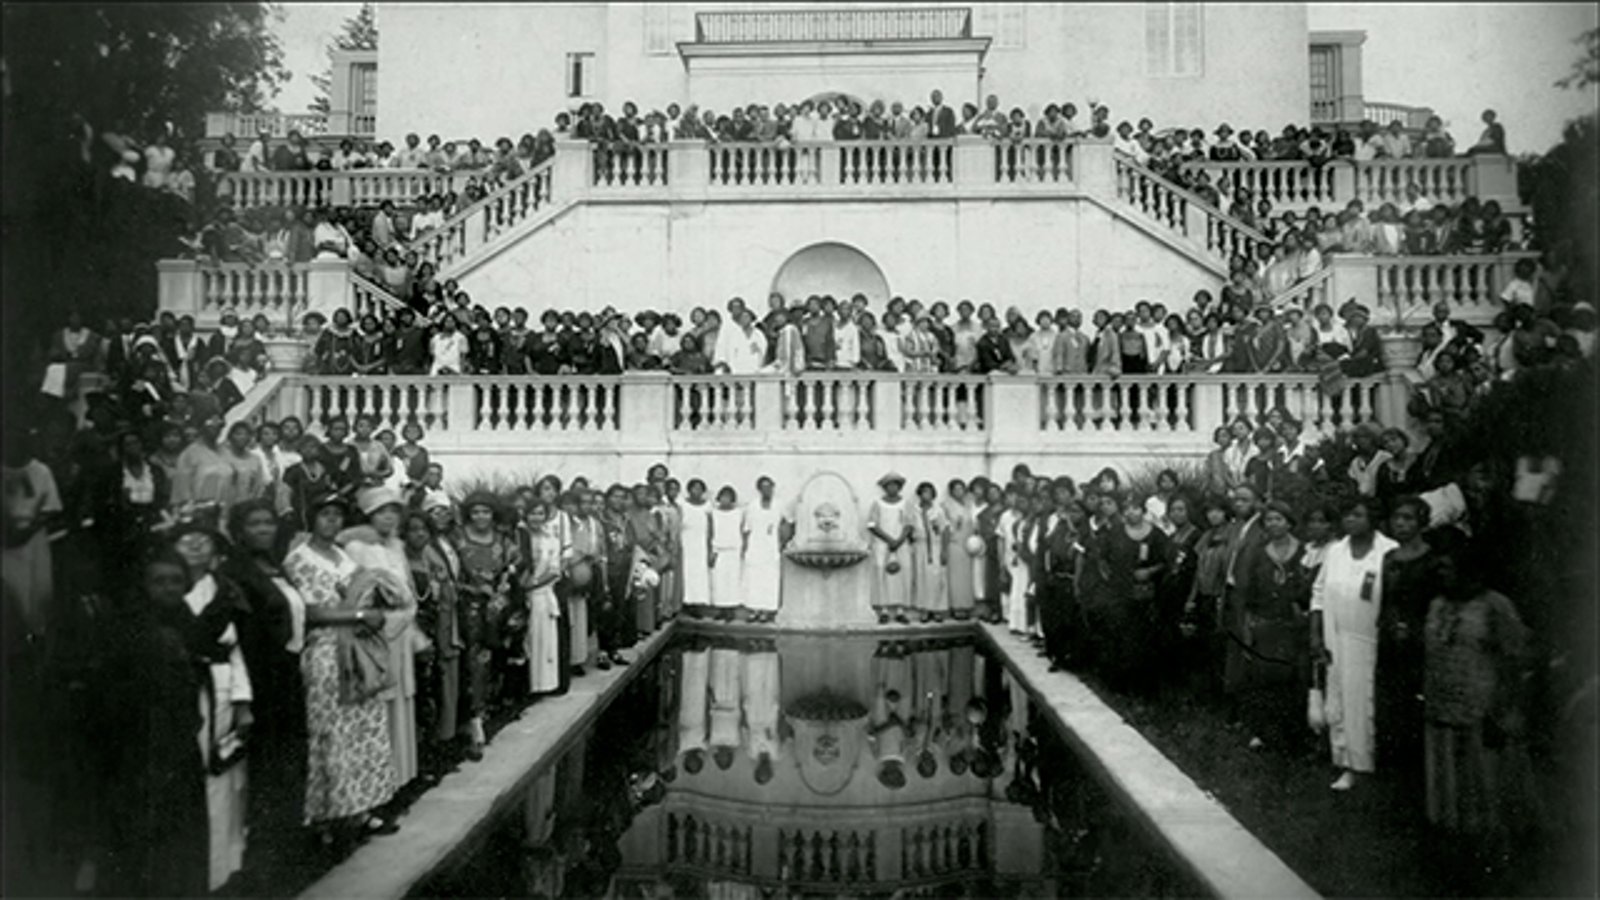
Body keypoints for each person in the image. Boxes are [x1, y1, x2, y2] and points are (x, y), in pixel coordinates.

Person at [283, 493, 399, 846]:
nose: (332, 521)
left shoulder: (343, 556)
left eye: (337, 515)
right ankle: (328, 816)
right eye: (325, 514)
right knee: (331, 731)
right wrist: (360, 615)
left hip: (356, 649)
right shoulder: (299, 558)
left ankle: (361, 809)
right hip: (326, 651)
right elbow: (311, 611)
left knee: (363, 729)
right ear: (311, 518)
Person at [1422, 534, 1535, 885]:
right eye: (1438, 568)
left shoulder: (1495, 606)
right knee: (1449, 792)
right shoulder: (1437, 604)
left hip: (1485, 716)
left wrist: (1504, 711)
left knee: (1487, 790)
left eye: (1448, 567)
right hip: (1442, 713)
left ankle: (1497, 865)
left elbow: (1518, 660)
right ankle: (1457, 860)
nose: (1441, 573)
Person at [100, 552, 209, 897]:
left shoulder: (183, 620)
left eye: (176, 581)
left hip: (179, 743)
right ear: (143, 585)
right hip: (142, 748)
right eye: (159, 581)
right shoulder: (133, 628)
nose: (169, 588)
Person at [217, 499, 307, 880]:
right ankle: (262, 857)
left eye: (268, 522)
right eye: (254, 523)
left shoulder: (274, 565)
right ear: (238, 531)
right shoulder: (235, 572)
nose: (264, 529)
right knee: (266, 764)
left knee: (288, 759)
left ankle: (285, 847)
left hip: (286, 673)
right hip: (261, 678)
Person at [168, 525, 252, 892]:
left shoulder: (224, 591)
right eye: (186, 539)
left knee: (221, 773)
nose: (196, 545)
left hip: (220, 687)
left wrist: (243, 703)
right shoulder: (166, 590)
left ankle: (222, 866)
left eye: (204, 540)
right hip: (179, 688)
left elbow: (234, 650)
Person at [1310, 497, 1399, 791]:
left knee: (1365, 701)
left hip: (1370, 639)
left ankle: (1366, 764)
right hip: (1336, 635)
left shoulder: (1388, 551)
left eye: (1357, 515)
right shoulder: (1336, 551)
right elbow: (1318, 593)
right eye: (1347, 515)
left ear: (1372, 518)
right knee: (1339, 698)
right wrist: (1316, 635)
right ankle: (1345, 761)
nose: (1350, 520)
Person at [1233, 501, 1311, 752]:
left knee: (1293, 679)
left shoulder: (1304, 551)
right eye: (1269, 520)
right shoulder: (1258, 552)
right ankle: (1263, 732)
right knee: (1264, 678)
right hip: (1265, 622)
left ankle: (1293, 736)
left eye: (1279, 519)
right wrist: (1248, 622)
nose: (1274, 524)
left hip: (1294, 625)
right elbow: (1246, 589)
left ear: (1289, 522)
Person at [517, 502, 565, 696]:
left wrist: (533, 584)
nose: (536, 518)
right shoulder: (519, 537)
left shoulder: (551, 538)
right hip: (520, 594)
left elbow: (554, 570)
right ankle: (524, 687)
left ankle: (542, 685)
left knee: (543, 641)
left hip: (541, 593)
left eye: (540, 513)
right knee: (524, 641)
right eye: (532, 513)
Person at [868, 473, 916, 625]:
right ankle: (883, 610)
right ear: (884, 487)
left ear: (899, 487)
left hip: (901, 543)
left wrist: (899, 540)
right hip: (882, 544)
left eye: (895, 485)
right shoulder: (877, 504)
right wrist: (889, 540)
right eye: (889, 485)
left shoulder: (906, 504)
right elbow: (871, 525)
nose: (892, 488)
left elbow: (909, 524)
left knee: (903, 574)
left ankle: (901, 610)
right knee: (881, 573)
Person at [741, 477, 783, 624]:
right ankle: (754, 610)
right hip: (755, 545)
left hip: (771, 546)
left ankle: (766, 611)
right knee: (754, 578)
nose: (767, 490)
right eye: (764, 487)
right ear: (759, 490)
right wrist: (745, 547)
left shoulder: (778, 505)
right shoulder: (752, 506)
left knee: (769, 578)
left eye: (770, 487)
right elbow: (747, 528)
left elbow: (785, 524)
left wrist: (781, 543)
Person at [910, 482, 949, 623]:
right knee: (921, 578)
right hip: (919, 547)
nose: (927, 495)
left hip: (936, 547)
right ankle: (924, 610)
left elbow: (945, 530)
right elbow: (909, 528)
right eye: (924, 492)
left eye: (930, 492)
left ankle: (937, 610)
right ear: (919, 494)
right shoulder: (913, 510)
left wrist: (944, 550)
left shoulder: (938, 511)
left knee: (936, 578)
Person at [942, 479, 978, 621]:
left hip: (968, 544)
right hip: (955, 543)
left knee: (967, 578)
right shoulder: (946, 506)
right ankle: (956, 607)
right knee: (955, 578)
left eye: (961, 489)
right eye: (956, 489)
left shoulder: (969, 505)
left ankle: (967, 606)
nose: (959, 492)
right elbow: (944, 527)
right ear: (951, 491)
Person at [679, 479, 713, 617]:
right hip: (686, 542)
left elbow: (711, 526)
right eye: (694, 488)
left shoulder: (708, 505)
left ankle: (697, 604)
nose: (696, 491)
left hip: (700, 544)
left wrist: (710, 545)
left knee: (699, 574)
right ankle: (686, 604)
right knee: (686, 573)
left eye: (699, 488)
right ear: (689, 490)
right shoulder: (682, 504)